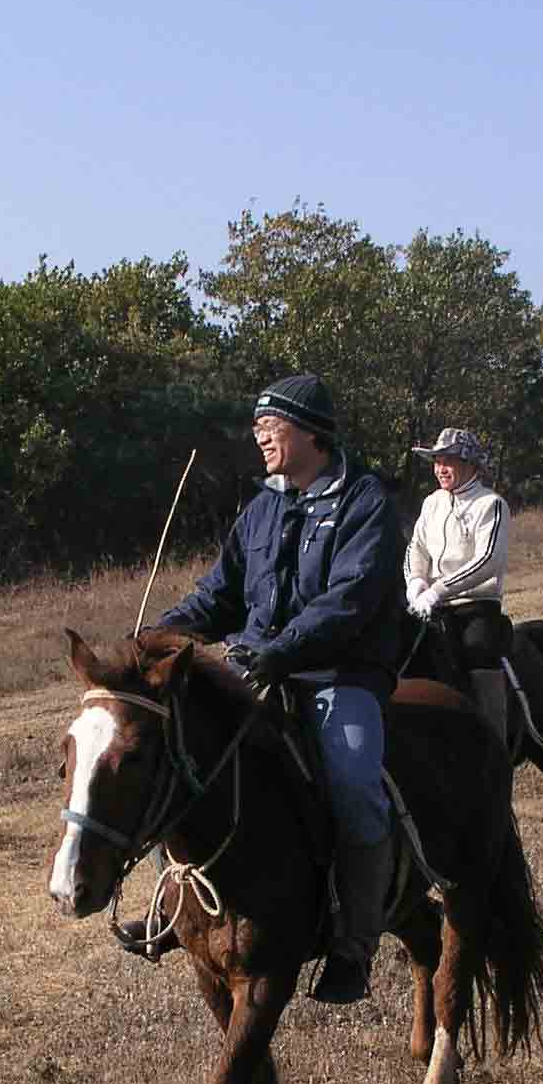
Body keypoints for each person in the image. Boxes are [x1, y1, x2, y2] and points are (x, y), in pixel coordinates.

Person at [153, 374, 406, 1005]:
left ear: (311, 433)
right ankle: (172, 906)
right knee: (174, 757)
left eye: (273, 426)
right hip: (259, 668)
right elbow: (221, 592)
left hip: (338, 677)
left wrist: (278, 651)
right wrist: (159, 635)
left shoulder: (366, 503)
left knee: (354, 790)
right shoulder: (262, 507)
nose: (260, 435)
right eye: (259, 426)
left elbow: (349, 602)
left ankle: (355, 942)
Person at [404, 426, 514, 748]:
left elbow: (488, 560)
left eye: (449, 460)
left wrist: (438, 590)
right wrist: (415, 583)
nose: (441, 468)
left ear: (471, 466)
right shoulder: (431, 503)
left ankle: (495, 744)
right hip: (427, 605)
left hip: (474, 606)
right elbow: (417, 548)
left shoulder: (491, 504)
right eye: (437, 461)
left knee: (479, 655)